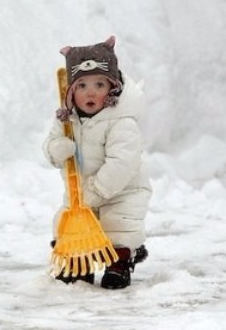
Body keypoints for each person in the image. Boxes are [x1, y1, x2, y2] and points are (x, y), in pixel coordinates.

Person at [43, 35, 151, 289]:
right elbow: (49, 146)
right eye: (81, 86)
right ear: (70, 90)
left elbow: (121, 164)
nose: (90, 92)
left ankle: (121, 262)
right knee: (65, 224)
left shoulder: (122, 122)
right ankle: (79, 260)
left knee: (119, 226)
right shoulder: (65, 119)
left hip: (121, 190)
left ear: (112, 88)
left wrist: (96, 192)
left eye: (99, 85)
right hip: (80, 190)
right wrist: (58, 149)